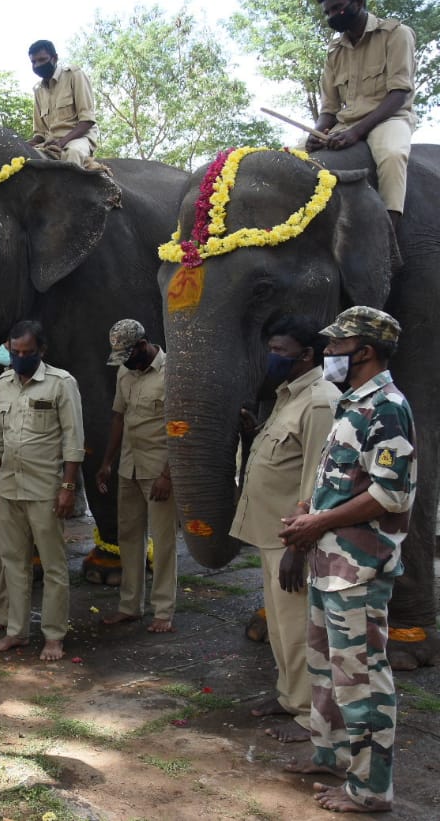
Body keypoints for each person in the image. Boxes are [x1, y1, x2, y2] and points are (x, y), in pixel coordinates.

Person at [279, 306, 415, 814]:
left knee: (361, 681)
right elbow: (335, 478)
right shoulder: (352, 402)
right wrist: (304, 516)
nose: (330, 352)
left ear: (367, 351)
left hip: (357, 567)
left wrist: (317, 524)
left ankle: (370, 789)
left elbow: (390, 494)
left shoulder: (387, 406)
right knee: (326, 670)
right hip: (328, 563)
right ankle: (331, 753)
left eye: (339, 345)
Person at [231, 316, 340, 745]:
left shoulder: (319, 402)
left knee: (298, 628)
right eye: (271, 349)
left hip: (293, 540)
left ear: (307, 355)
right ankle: (289, 694)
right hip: (271, 532)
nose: (271, 357)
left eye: (279, 351)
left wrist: (299, 545)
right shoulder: (289, 396)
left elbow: (318, 479)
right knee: (280, 626)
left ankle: (311, 715)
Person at [0, 321, 84, 661]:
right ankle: (16, 632)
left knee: (53, 566)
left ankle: (54, 636)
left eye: (27, 353)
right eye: (16, 352)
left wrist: (67, 488)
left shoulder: (61, 384)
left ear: (42, 351)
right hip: (8, 489)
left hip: (45, 491)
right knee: (13, 563)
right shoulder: (5, 384)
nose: (20, 358)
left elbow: (74, 441)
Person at [309, 0, 417, 231]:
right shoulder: (334, 52)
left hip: (388, 119)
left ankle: (389, 232)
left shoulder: (396, 34)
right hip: (344, 125)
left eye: (337, 8)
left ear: (358, 2)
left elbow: (400, 93)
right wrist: (317, 131)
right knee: (289, 156)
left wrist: (356, 132)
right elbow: (330, 109)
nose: (331, 17)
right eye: (327, 12)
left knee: (392, 155)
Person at [96, 320, 178, 634]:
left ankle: (163, 611)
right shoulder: (124, 370)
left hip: (157, 471)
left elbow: (180, 429)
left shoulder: (171, 373)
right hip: (128, 467)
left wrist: (167, 475)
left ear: (143, 345)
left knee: (164, 540)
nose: (126, 362)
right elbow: (119, 416)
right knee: (129, 537)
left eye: (129, 355)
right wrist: (107, 462)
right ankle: (130, 606)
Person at [26, 39, 99, 168]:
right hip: (50, 143)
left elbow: (87, 120)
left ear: (54, 58)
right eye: (33, 62)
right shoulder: (38, 90)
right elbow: (40, 134)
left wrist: (61, 142)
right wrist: (23, 144)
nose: (37, 65)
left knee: (72, 154)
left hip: (78, 140)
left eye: (42, 60)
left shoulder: (74, 75)